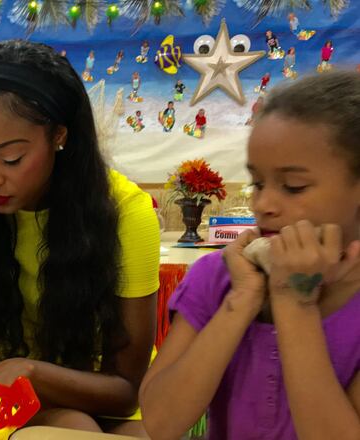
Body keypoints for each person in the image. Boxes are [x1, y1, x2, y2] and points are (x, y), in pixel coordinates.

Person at [0, 39, 160, 434]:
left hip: (97, 390)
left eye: (12, 158)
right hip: (2, 388)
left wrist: (28, 371)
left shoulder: (125, 213)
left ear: (59, 136)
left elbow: (126, 389)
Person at [140, 71, 360, 439]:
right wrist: (242, 299)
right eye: (258, 183)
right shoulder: (219, 276)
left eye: (293, 187)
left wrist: (294, 301)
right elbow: (161, 422)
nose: (263, 204)